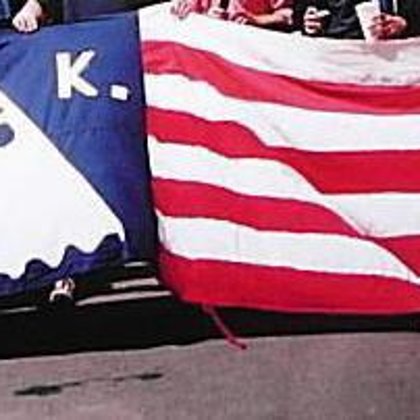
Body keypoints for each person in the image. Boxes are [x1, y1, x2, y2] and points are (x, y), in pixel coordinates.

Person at [294, 0, 420, 39]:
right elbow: (304, 10)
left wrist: (407, 24)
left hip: (402, 62)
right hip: (346, 61)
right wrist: (309, 22)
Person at [171, 0, 294, 31]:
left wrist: (256, 20)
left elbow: (287, 15)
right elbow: (184, 9)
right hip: (210, 51)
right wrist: (206, 18)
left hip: (248, 51)